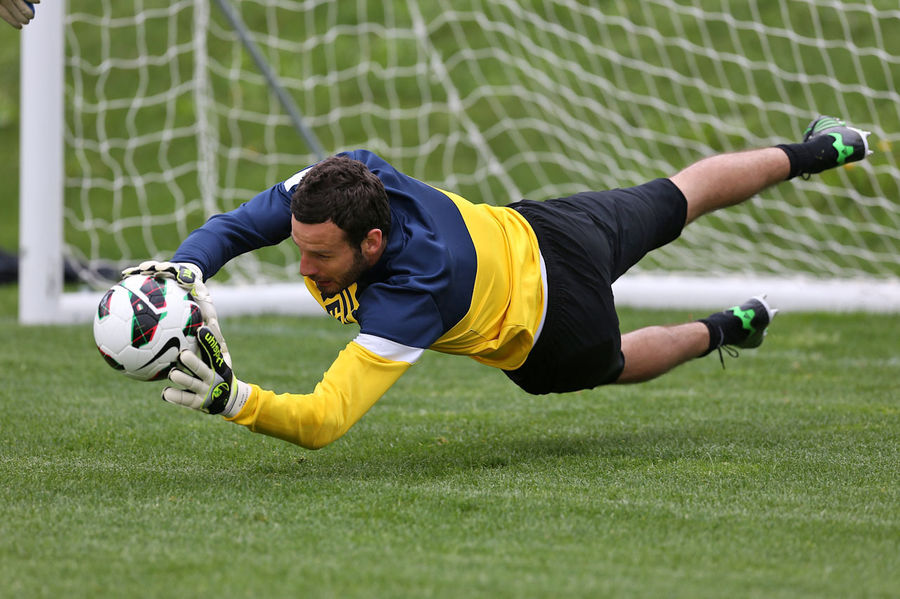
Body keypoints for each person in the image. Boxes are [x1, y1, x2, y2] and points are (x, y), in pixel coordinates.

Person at [125, 115, 871, 450]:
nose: (301, 265)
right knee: (678, 194)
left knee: (612, 364)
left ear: (374, 241)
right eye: (300, 244)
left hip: (554, 328)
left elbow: (322, 421)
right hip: (549, 228)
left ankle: (726, 326)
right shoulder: (350, 176)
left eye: (320, 257)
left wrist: (235, 399)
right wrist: (185, 266)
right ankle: (823, 147)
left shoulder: (412, 296)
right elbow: (234, 226)